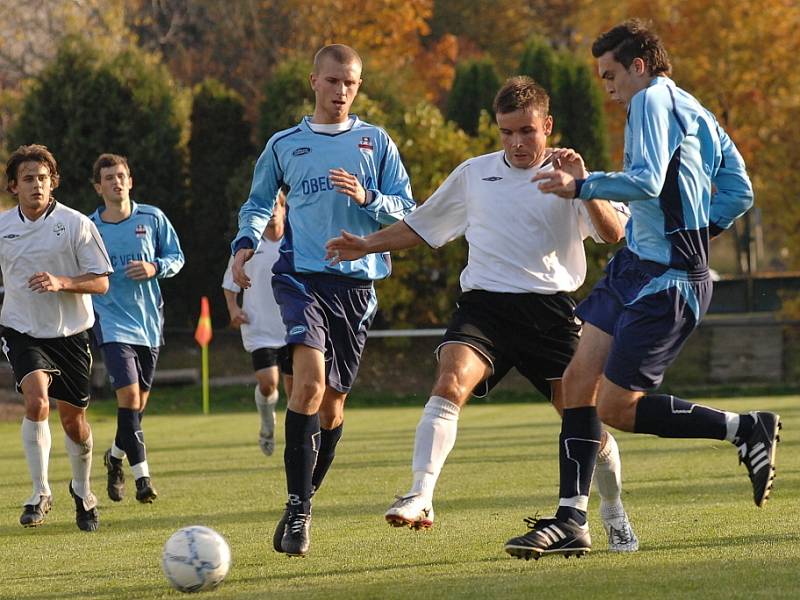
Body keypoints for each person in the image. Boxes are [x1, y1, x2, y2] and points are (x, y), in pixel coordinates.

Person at [326, 76, 639, 552]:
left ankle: (612, 510)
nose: (516, 142)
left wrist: (586, 186)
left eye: (527, 132)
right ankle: (420, 494)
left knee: (583, 421)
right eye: (507, 132)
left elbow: (613, 232)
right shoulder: (474, 174)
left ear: (547, 126)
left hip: (551, 314)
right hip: (485, 309)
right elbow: (422, 223)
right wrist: (368, 243)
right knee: (450, 380)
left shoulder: (571, 178)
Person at [502, 19, 770, 560]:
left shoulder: (649, 103)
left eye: (610, 75)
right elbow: (739, 191)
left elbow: (646, 180)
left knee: (617, 409)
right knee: (578, 382)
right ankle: (571, 520)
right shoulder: (696, 108)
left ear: (639, 66)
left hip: (667, 278)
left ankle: (744, 428)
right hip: (635, 265)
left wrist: (581, 186)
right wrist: (695, 229)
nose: (608, 88)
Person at [231, 44, 415, 557]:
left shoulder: (375, 142)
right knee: (307, 387)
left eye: (350, 83)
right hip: (301, 280)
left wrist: (368, 198)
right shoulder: (285, 143)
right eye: (332, 81)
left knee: (332, 408)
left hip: (356, 287)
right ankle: (299, 511)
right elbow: (258, 202)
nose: (341, 91)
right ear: (314, 81)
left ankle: (301, 496)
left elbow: (409, 210)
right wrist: (244, 245)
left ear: (358, 86)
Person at [0, 144, 112, 531]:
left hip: (70, 334)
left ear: (53, 183)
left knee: (73, 423)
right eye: (28, 179)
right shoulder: (3, 228)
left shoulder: (77, 224)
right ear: (14, 186)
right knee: (36, 401)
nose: (37, 185)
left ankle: (82, 490)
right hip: (21, 330)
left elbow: (101, 281)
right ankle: (39, 491)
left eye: (43, 179)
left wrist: (62, 282)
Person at [88, 153, 185, 505]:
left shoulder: (153, 218)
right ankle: (143, 478)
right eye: (109, 177)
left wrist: (155, 266)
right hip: (109, 321)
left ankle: (114, 458)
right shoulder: (89, 227)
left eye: (122, 175)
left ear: (130, 181)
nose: (117, 182)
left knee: (136, 407)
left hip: (147, 322)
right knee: (128, 399)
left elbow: (177, 257)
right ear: (98, 187)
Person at [223, 191, 293, 457]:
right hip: (259, 328)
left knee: (295, 390)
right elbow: (229, 284)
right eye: (269, 205)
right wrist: (233, 309)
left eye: (277, 204)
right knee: (268, 383)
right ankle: (267, 424)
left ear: (285, 210)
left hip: (293, 326)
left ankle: (296, 444)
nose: (273, 209)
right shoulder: (248, 246)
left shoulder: (295, 242)